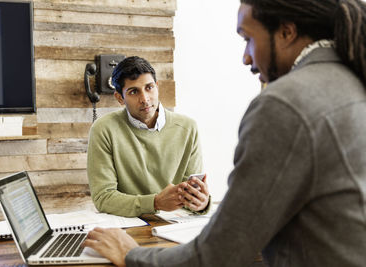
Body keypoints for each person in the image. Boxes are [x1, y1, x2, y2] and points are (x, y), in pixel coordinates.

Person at [82, 0, 366, 266]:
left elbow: (221, 251)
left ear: (286, 32)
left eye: (247, 38)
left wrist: (132, 254)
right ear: (120, 97)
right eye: (133, 92)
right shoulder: (353, 80)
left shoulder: (285, 103)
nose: (245, 58)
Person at [87, 56, 210, 217]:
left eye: (149, 87)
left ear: (157, 87)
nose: (145, 99)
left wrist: (201, 204)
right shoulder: (104, 129)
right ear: (119, 98)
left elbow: (190, 194)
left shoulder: (188, 127)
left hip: (175, 226)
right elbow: (103, 198)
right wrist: (155, 202)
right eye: (133, 91)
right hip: (128, 229)